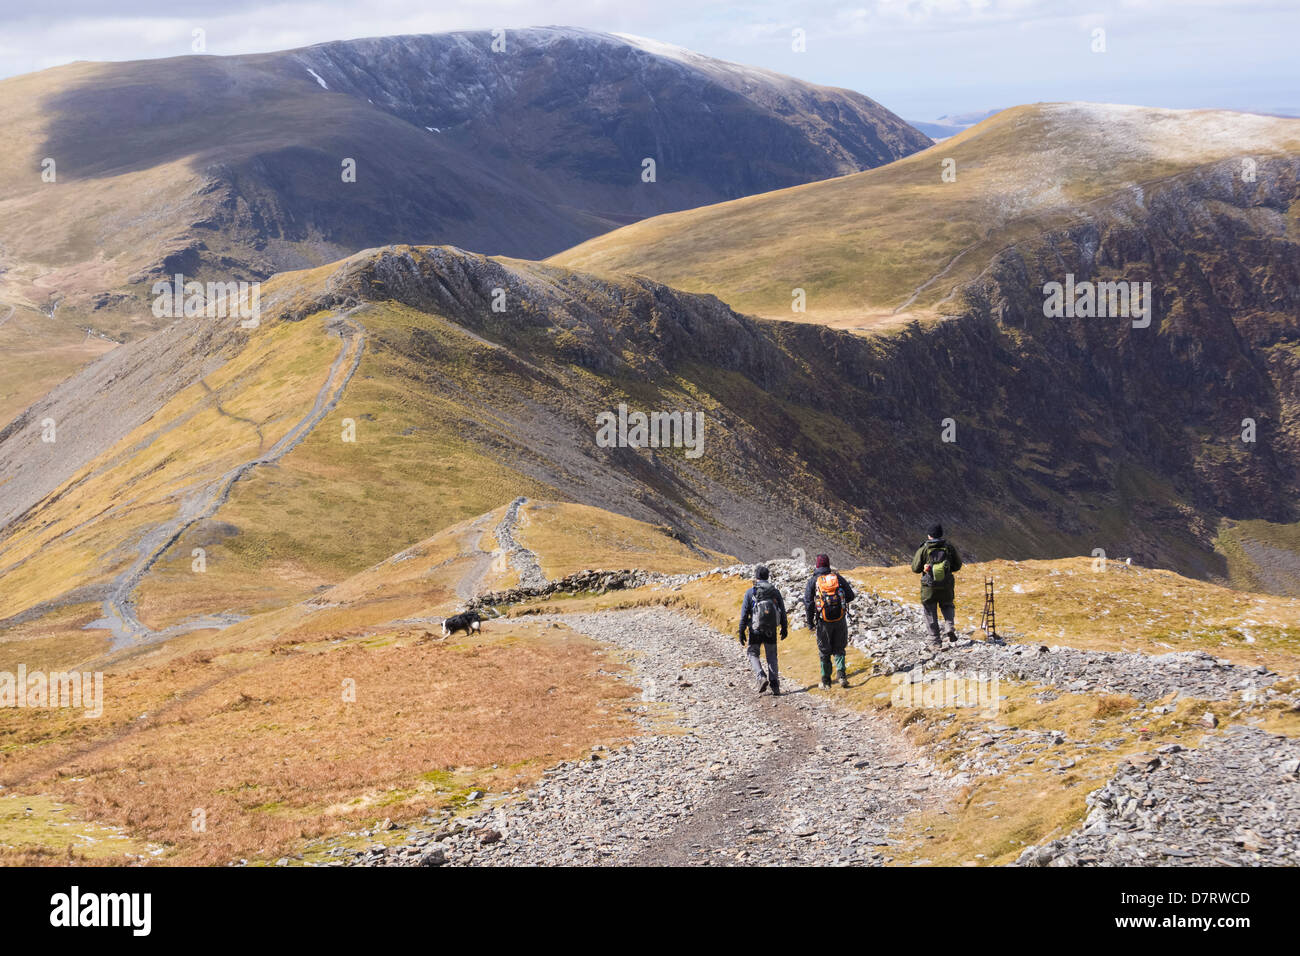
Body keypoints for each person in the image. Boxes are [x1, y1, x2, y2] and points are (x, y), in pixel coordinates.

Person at [803, 554, 855, 689]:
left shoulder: (813, 581)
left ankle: (826, 681)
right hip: (840, 619)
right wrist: (839, 603)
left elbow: (808, 604)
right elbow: (851, 596)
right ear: (828, 564)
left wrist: (810, 623)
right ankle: (842, 675)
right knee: (839, 648)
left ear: (817, 565)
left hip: (823, 621)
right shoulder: (837, 578)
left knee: (824, 650)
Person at [738, 565, 788, 695]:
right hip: (771, 629)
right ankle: (775, 684)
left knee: (753, 653)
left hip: (755, 629)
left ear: (756, 577)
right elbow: (782, 611)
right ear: (768, 576)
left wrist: (741, 630)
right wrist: (784, 627)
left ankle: (761, 676)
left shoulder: (751, 592)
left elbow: (744, 614)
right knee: (771, 655)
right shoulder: (775, 592)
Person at [911, 524, 963, 645]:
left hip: (929, 586)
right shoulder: (949, 547)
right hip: (946, 584)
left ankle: (934, 639)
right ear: (941, 534)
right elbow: (957, 565)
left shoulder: (924, 549)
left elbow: (915, 568)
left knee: (930, 610)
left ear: (929, 535)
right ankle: (949, 627)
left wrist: (926, 569)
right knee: (947, 605)